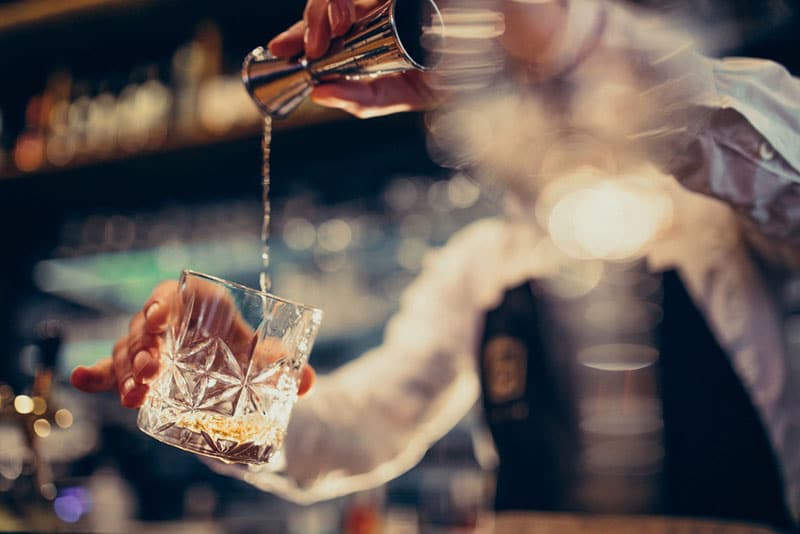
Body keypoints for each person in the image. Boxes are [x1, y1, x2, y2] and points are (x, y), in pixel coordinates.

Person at [71, 0, 800, 528]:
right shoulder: (482, 265)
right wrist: (222, 398)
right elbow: (358, 430)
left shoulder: (733, 222)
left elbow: (776, 153)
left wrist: (560, 35)